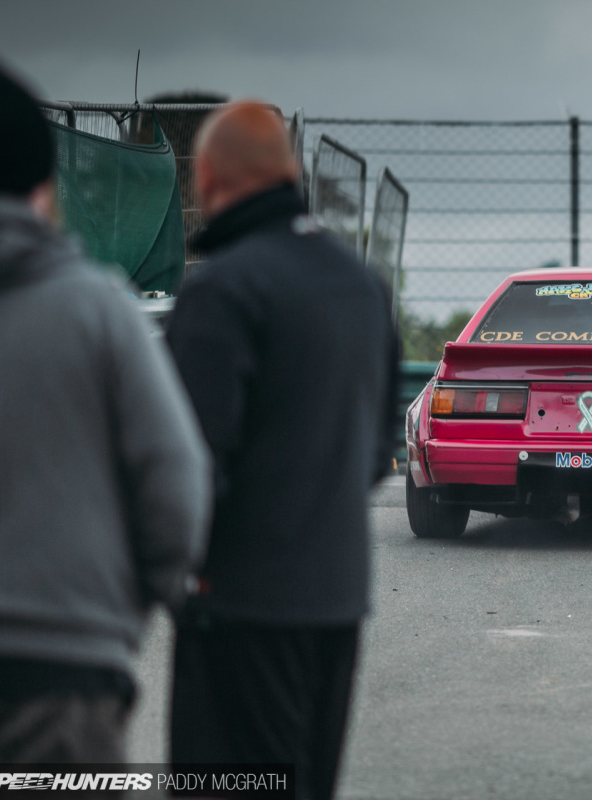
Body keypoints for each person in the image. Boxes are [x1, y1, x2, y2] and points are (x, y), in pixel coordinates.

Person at [0, 56, 211, 763]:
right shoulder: (99, 310)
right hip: (63, 679)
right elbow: (176, 487)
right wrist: (122, 608)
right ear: (46, 189)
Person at [164, 101, 400, 800]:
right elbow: (374, 451)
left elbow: (187, 468)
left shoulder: (222, 287)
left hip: (241, 610)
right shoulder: (362, 287)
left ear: (205, 176)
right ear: (288, 174)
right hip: (336, 604)